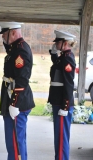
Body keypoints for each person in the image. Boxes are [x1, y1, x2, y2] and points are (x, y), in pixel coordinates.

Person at [0, 22, 35, 160]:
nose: (2, 37)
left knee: (15, 144)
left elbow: (22, 79)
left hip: (17, 102)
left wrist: (15, 103)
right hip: (12, 99)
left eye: (4, 34)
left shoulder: (20, 50)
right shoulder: (15, 48)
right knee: (15, 142)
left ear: (13, 33)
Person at [48, 30, 76, 160]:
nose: (56, 44)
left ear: (65, 43)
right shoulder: (63, 57)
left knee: (61, 137)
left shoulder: (68, 59)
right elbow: (56, 65)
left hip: (61, 103)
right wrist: (53, 53)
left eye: (58, 42)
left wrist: (65, 106)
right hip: (57, 101)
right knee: (58, 136)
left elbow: (68, 85)